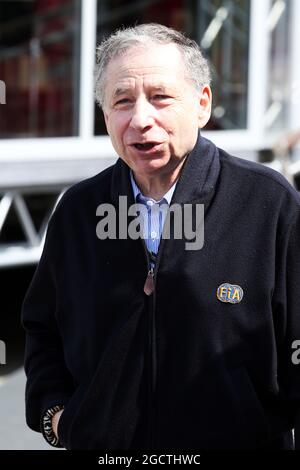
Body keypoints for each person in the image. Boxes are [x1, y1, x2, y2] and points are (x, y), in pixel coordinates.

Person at [22, 23, 300, 450]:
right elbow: (42, 330)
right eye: (122, 101)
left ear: (202, 104)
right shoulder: (78, 211)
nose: (140, 120)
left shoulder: (269, 204)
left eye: (160, 98)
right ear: (106, 117)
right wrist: (57, 418)